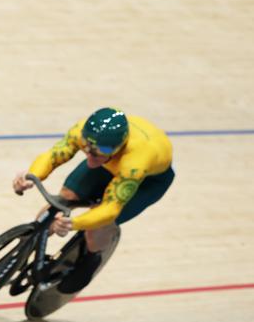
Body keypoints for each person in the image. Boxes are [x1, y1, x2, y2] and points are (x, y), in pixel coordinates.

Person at [12, 107, 174, 293]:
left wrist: (73, 223)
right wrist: (31, 176)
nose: (90, 156)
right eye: (87, 148)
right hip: (109, 164)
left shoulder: (136, 159)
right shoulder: (86, 136)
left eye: (99, 151)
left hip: (147, 181)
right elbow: (53, 156)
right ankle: (28, 244)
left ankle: (91, 260)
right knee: (65, 197)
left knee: (98, 222)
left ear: (119, 147)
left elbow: (110, 209)